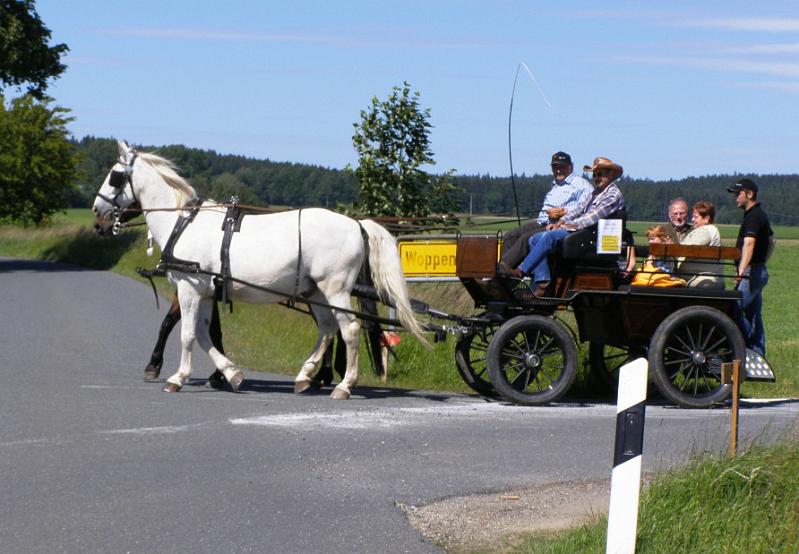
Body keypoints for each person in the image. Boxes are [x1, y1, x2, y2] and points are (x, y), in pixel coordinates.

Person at [513, 157, 625, 296]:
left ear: (611, 174)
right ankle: (543, 282)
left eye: (600, 174)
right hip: (582, 232)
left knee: (548, 236)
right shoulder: (595, 193)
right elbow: (578, 210)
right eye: (594, 175)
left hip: (593, 237)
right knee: (534, 239)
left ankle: (522, 270)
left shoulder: (613, 195)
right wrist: (560, 222)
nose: (596, 178)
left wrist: (566, 226)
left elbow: (591, 218)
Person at [498, 151, 593, 272]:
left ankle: (504, 271)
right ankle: (503, 269)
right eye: (555, 167)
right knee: (510, 236)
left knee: (525, 239)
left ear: (571, 167)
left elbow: (588, 208)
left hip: (557, 226)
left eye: (562, 167)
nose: (558, 170)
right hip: (541, 222)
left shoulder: (581, 185)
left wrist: (563, 212)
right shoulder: (556, 185)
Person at [728, 178, 772, 356]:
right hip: (757, 270)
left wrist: (741, 270)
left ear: (749, 194)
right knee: (754, 315)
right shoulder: (757, 214)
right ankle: (758, 354)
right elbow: (772, 240)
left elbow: (749, 244)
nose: (736, 197)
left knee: (734, 309)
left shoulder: (754, 216)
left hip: (751, 272)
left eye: (738, 194)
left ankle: (746, 349)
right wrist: (762, 262)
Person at [677, 201, 724, 289]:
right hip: (706, 277)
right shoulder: (711, 231)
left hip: (700, 279)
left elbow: (683, 249)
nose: (692, 220)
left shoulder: (704, 232)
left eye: (695, 217)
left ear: (706, 218)